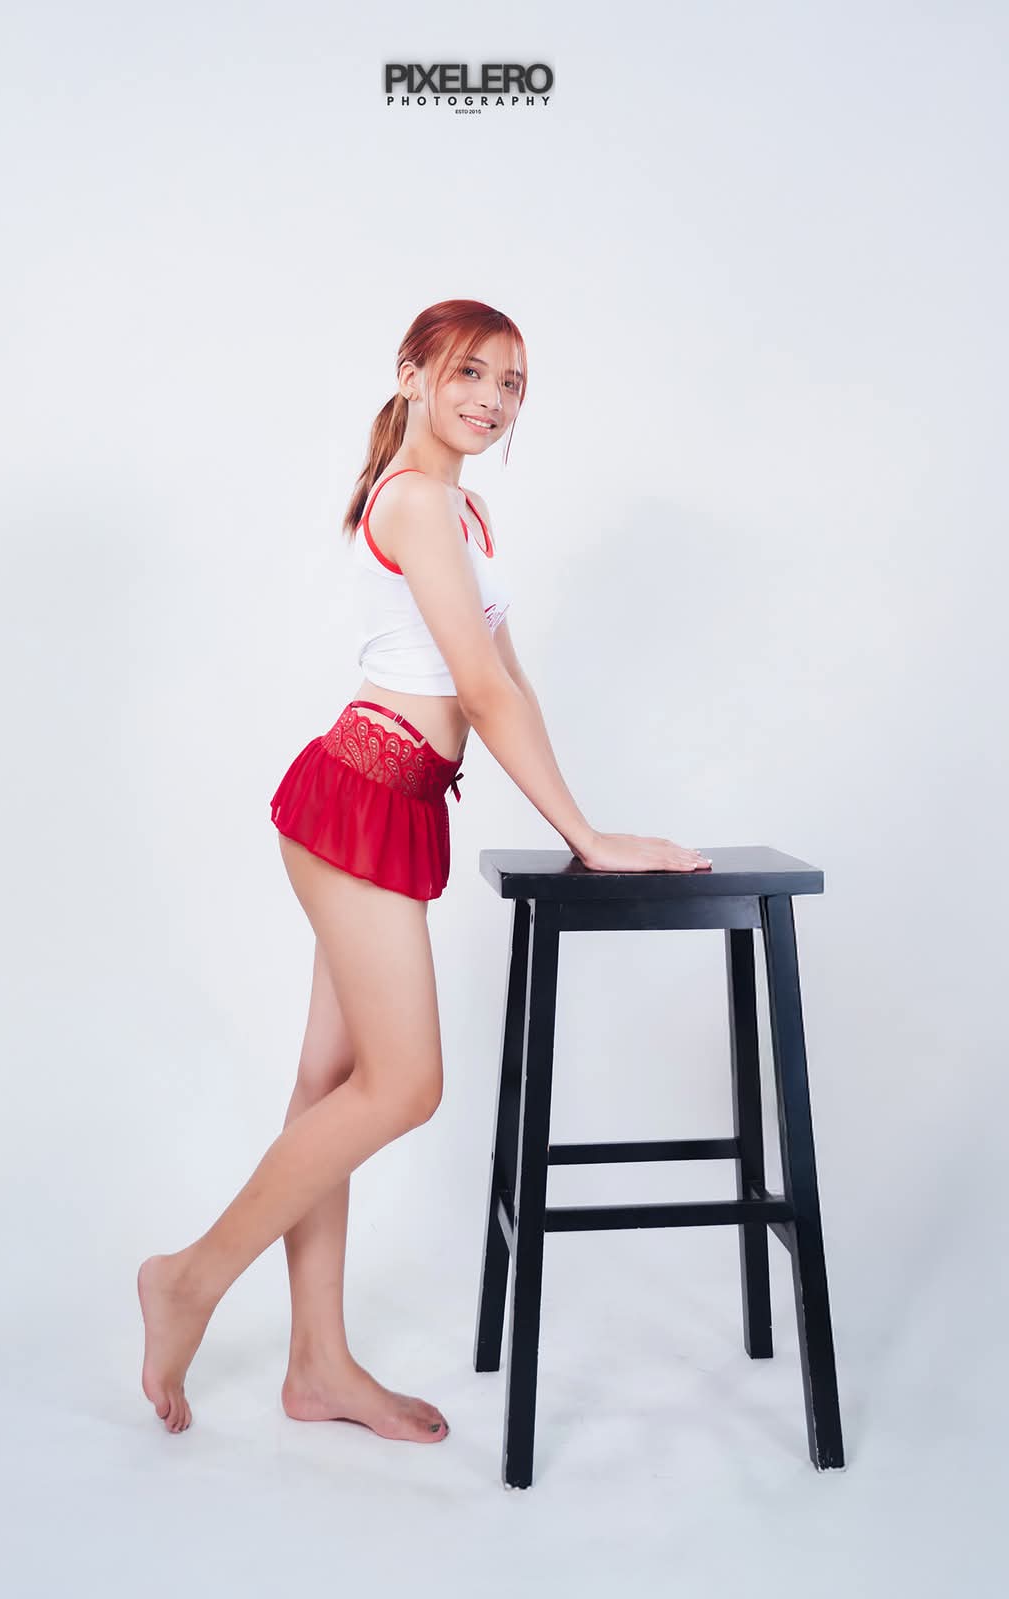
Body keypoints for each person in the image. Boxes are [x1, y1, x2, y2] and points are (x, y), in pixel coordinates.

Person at [137, 298, 711, 1443]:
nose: (493, 400)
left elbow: (510, 681)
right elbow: (480, 696)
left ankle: (317, 1367)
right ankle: (187, 1279)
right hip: (357, 795)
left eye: (512, 384)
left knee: (329, 1086)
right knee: (404, 1086)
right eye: (470, 373)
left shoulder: (465, 511)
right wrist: (592, 838)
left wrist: (585, 826)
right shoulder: (412, 500)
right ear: (412, 374)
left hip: (392, 804)